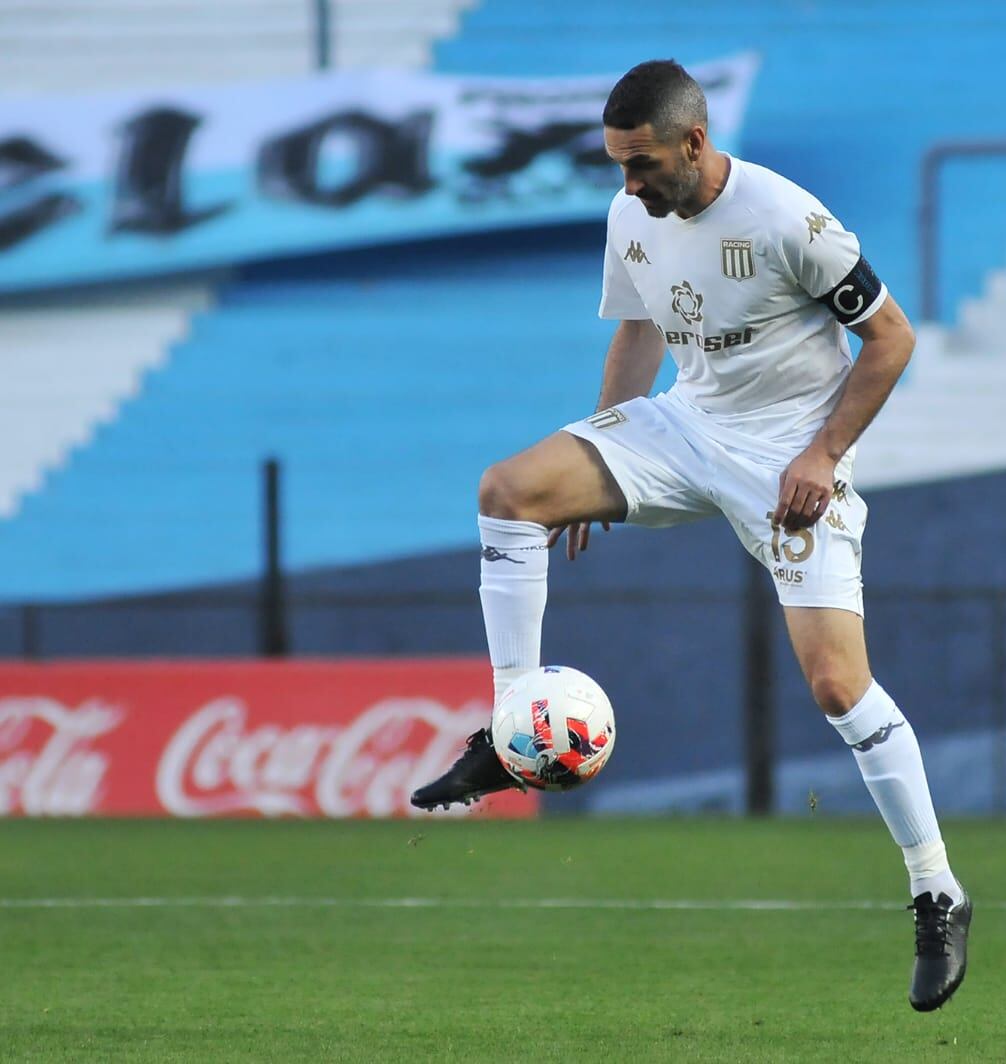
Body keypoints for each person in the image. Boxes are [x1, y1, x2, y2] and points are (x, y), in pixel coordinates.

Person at [410, 59, 969, 1012]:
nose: (627, 185)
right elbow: (633, 332)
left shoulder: (789, 218)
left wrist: (823, 455)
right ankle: (511, 728)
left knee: (839, 686)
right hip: (684, 427)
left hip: (791, 460)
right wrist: (599, 451)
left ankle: (936, 890)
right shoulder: (635, 217)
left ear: (693, 144)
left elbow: (894, 341)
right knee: (509, 490)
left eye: (640, 164)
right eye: (617, 165)